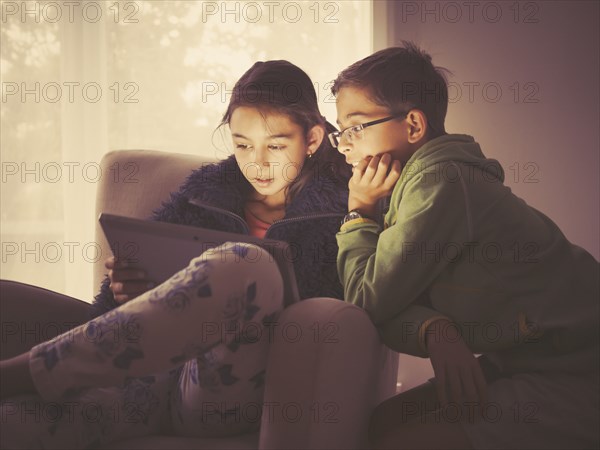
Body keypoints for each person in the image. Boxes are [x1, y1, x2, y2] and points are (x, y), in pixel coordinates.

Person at [0, 60, 351, 449]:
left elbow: (351, 305)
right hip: (143, 384)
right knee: (16, 421)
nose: (258, 162)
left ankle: (25, 371)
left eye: (277, 145)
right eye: (242, 144)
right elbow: (125, 299)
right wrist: (128, 290)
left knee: (247, 262)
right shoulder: (202, 193)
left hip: (228, 392)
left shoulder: (345, 210)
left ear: (313, 139)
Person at [329, 42, 599, 449]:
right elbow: (386, 301)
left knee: (399, 441)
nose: (344, 144)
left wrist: (358, 213)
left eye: (354, 127)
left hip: (578, 365)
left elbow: (366, 296)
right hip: (524, 357)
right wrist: (434, 330)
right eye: (340, 131)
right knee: (384, 422)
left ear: (414, 126)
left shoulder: (440, 182)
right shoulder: (413, 186)